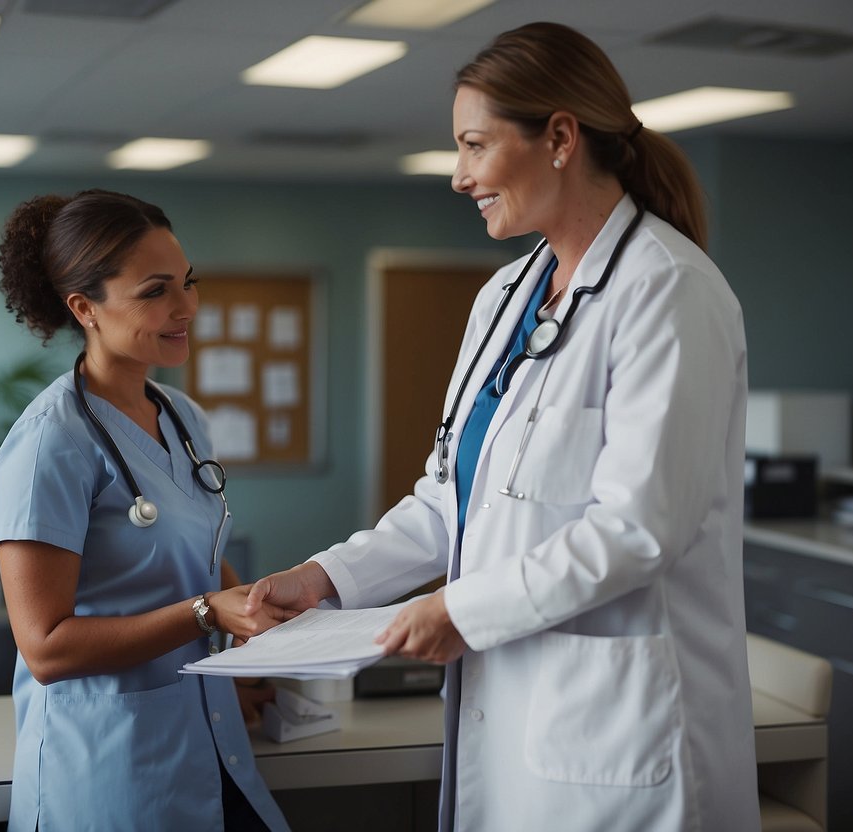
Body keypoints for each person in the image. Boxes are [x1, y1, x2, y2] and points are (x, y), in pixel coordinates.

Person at [245, 22, 759, 832]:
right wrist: (325, 579)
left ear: (559, 137)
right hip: (513, 715)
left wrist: (456, 607)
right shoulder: (504, 299)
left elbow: (635, 529)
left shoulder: (668, 290)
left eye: (474, 146)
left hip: (617, 733)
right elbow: (448, 497)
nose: (459, 177)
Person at [0, 189, 290, 831]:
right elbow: (45, 648)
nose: (186, 308)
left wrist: (260, 618)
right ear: (85, 308)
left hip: (209, 740)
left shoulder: (186, 421)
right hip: (108, 768)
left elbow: (197, 566)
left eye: (188, 283)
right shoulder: (50, 443)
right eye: (155, 291)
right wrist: (208, 613)